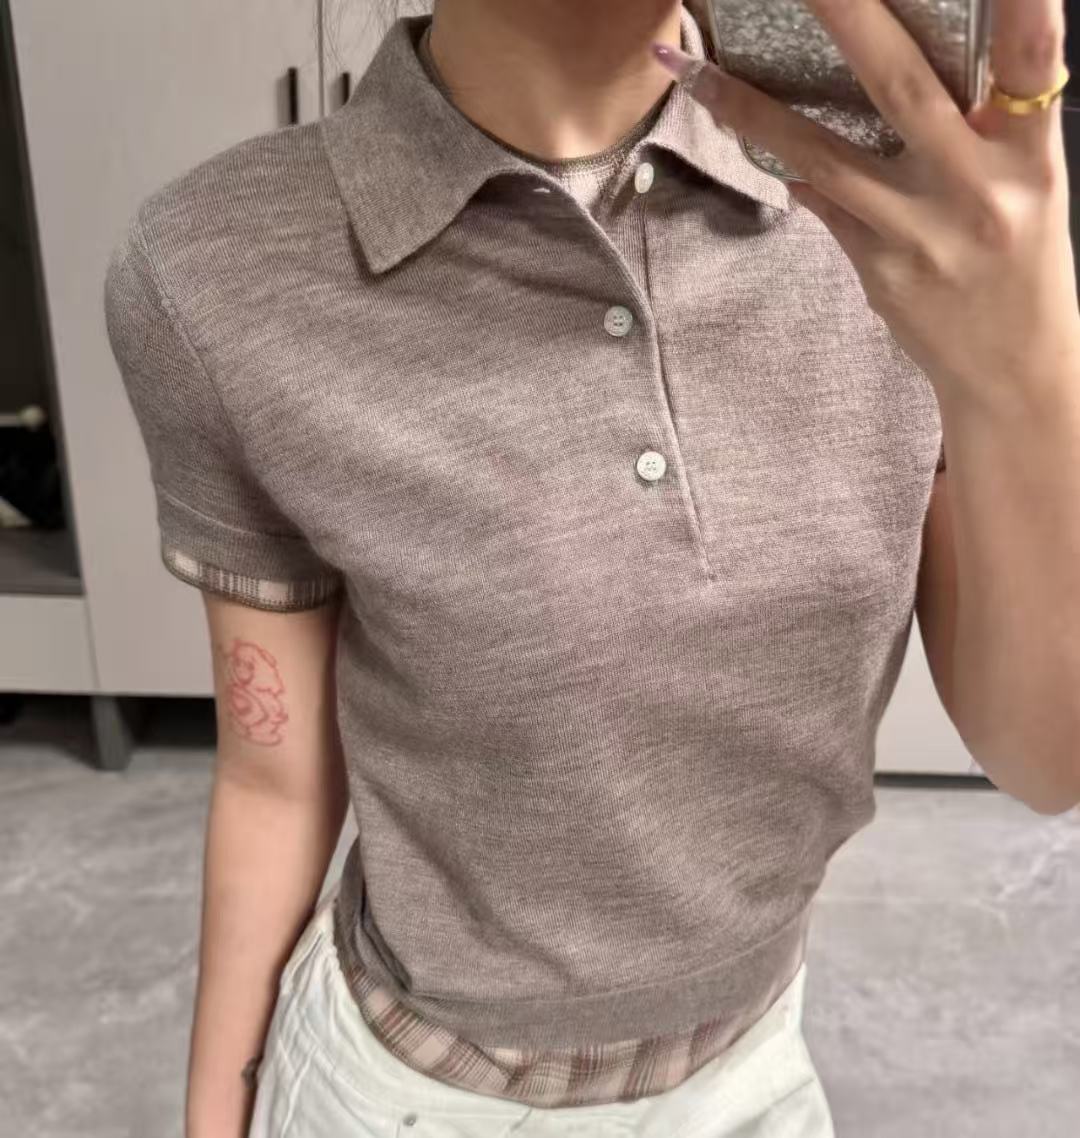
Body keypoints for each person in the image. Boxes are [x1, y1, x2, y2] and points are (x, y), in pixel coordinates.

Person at [102, 0, 1077, 1135]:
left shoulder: (913, 215)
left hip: (756, 1069)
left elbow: (1047, 759)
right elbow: (273, 780)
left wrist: (1030, 366)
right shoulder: (214, 267)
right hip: (412, 1096)